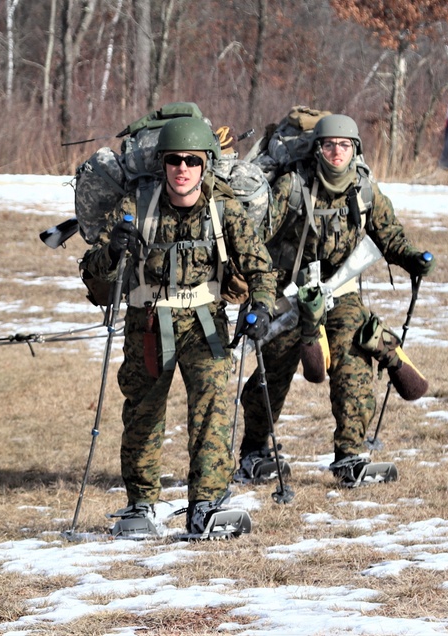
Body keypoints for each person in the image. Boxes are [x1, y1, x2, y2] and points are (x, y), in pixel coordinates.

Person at [80, 117, 276, 538]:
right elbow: (92, 269)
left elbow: (260, 266)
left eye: (191, 160)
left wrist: (261, 307)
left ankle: (206, 504)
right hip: (147, 324)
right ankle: (140, 505)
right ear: (163, 164)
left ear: (205, 165)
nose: (182, 168)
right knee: (144, 414)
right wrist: (113, 250)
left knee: (212, 410)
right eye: (174, 160)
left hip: (205, 323)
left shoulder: (224, 209)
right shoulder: (136, 205)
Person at [236, 114, 436, 487]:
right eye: (329, 145)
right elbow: (257, 238)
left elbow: (388, 235)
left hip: (339, 289)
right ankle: (254, 452)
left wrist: (412, 258)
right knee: (275, 367)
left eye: (345, 145)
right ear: (317, 149)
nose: (337, 152)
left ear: (355, 149)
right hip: (288, 291)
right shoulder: (293, 185)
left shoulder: (364, 188)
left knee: (355, 354)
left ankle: (350, 454)